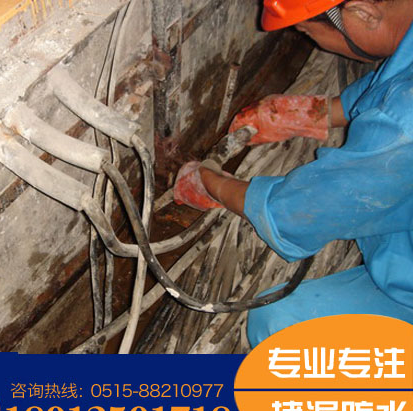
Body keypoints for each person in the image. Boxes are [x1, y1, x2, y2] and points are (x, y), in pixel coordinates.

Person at [173, 0, 413, 347]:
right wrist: (315, 113)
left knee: (282, 332)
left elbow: (298, 213)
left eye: (307, 32)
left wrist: (212, 181)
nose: (311, 41)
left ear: (363, 13)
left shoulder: (403, 125)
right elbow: (395, 80)